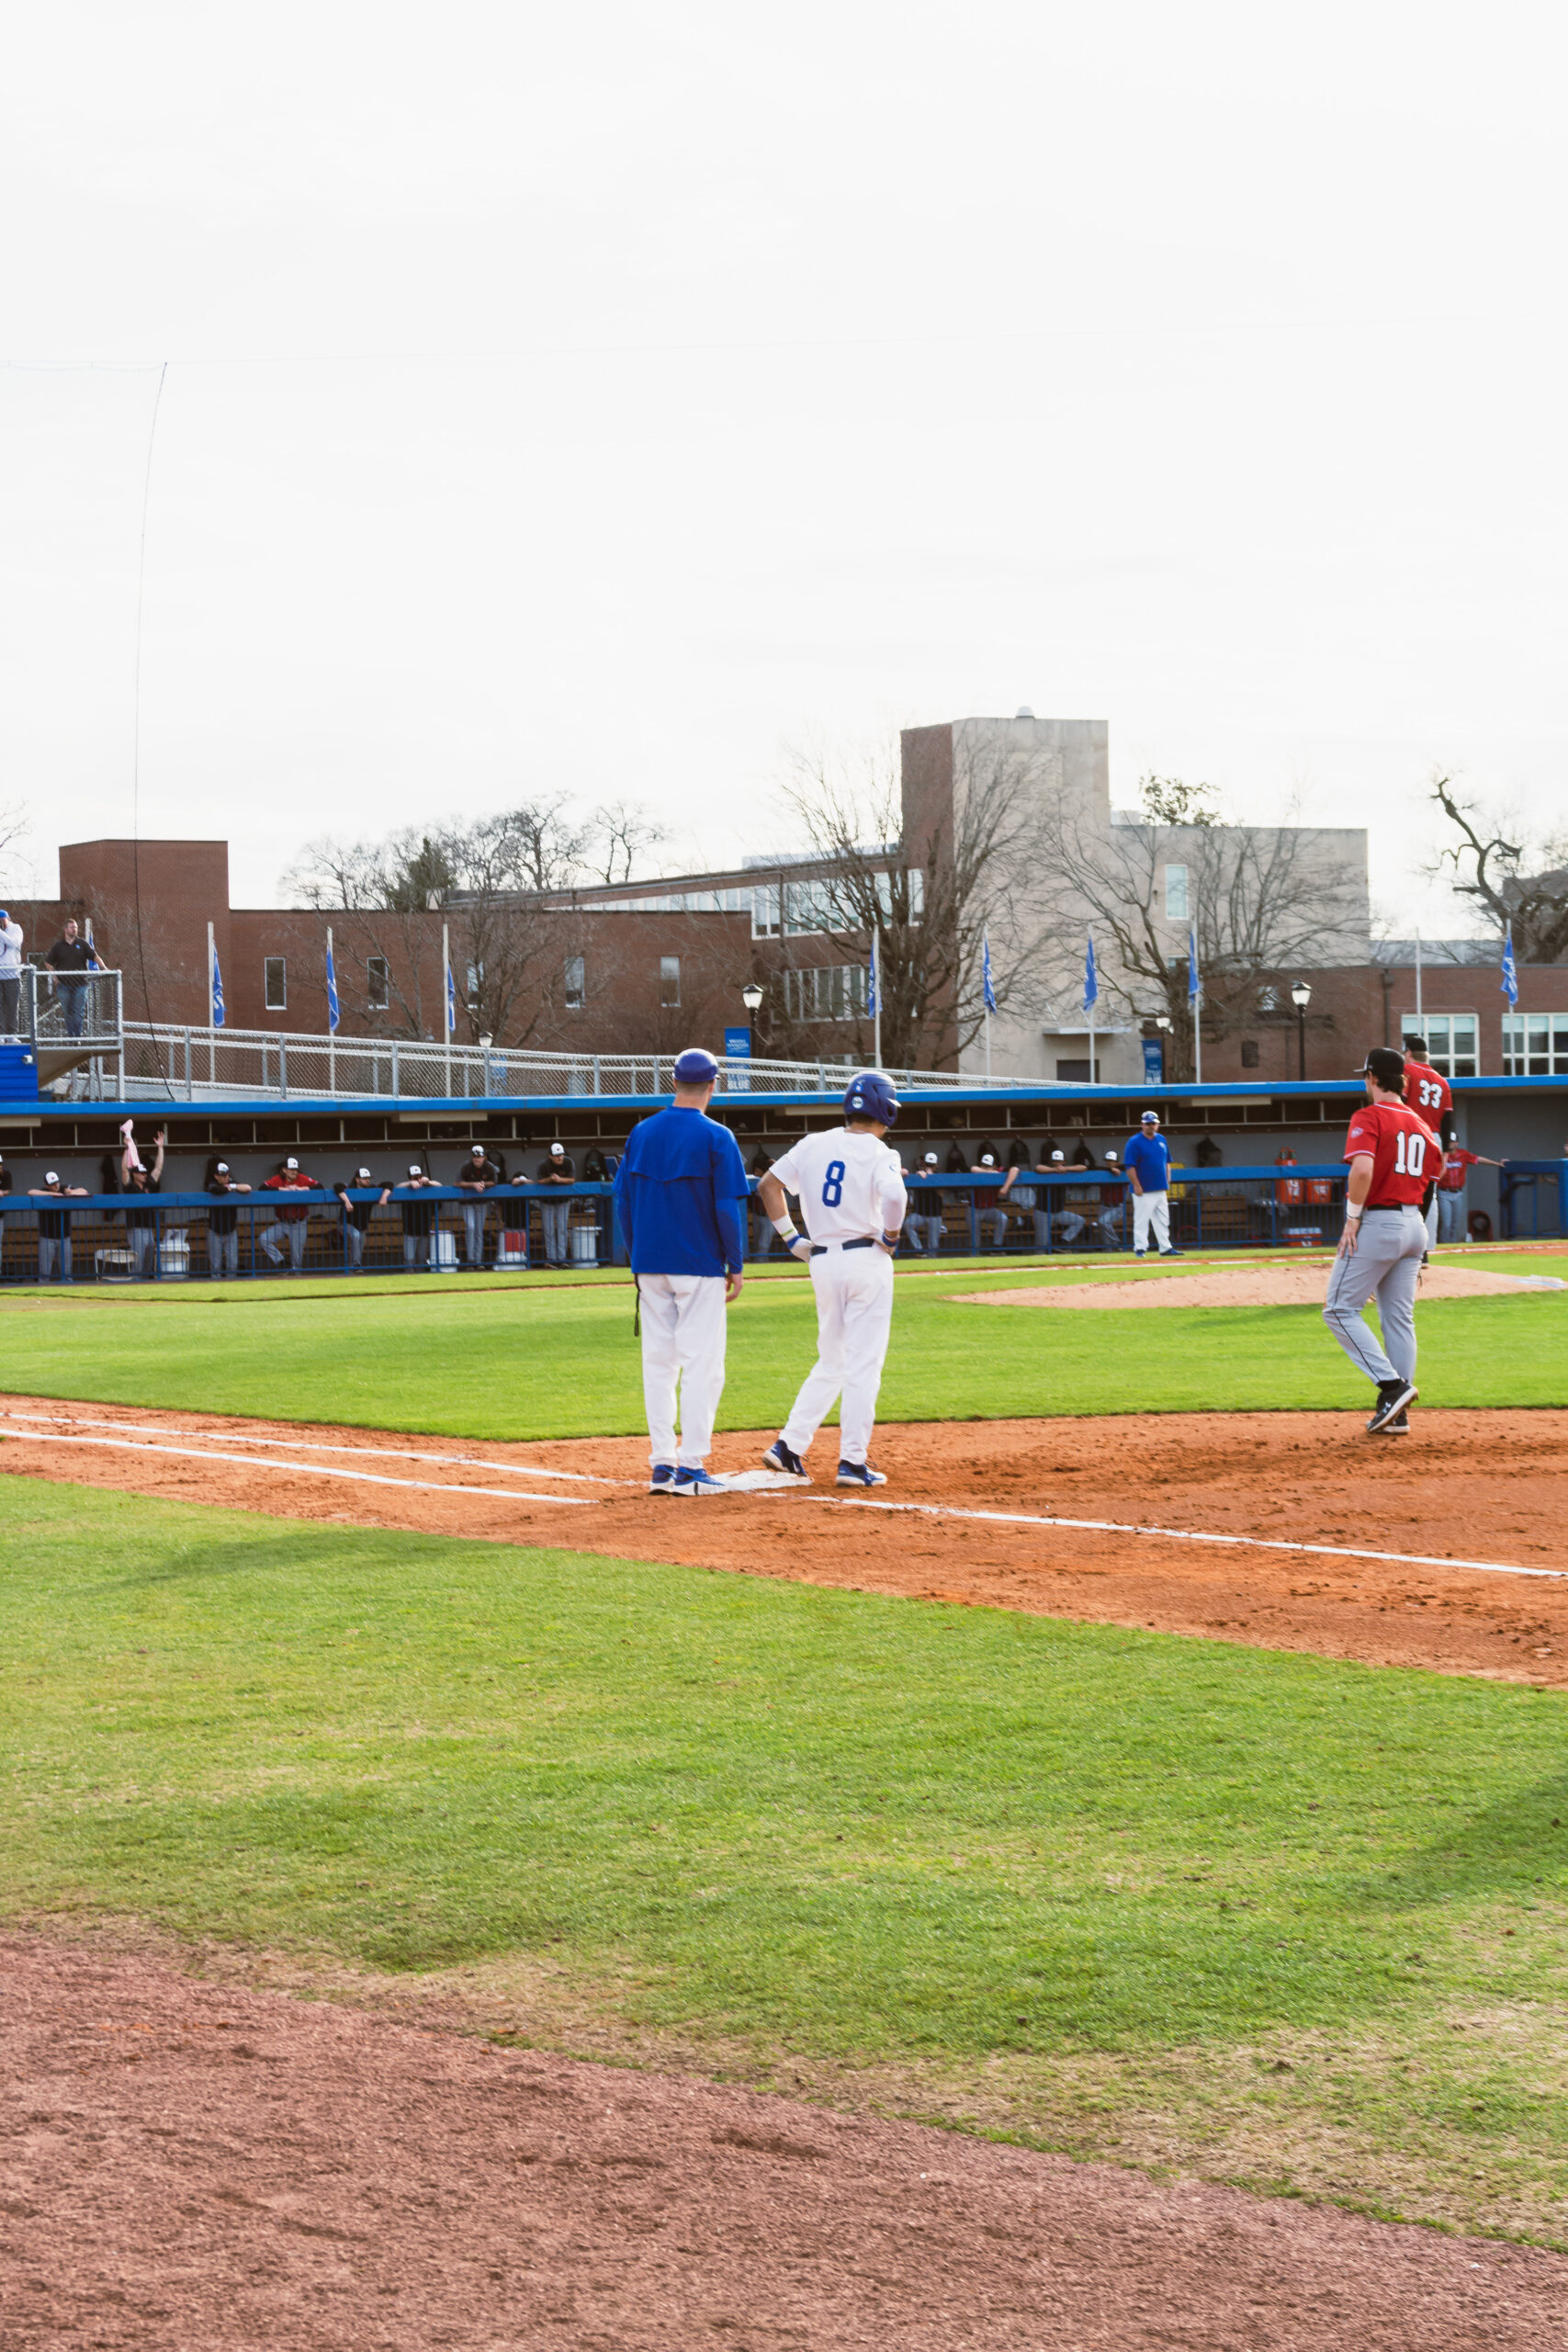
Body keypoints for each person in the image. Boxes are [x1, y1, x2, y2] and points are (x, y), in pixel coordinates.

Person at [757, 1070, 907, 1489]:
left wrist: (792, 1240)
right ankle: (852, 1462)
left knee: (833, 1360)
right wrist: (892, 1237)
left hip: (822, 1261)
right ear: (886, 1109)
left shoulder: (813, 1143)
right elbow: (896, 1197)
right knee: (863, 1364)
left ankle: (789, 1447)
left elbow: (769, 1185)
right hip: (866, 1259)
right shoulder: (880, 1152)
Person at [612, 1045, 750, 1497]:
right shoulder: (717, 1136)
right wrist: (736, 1262)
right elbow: (727, 1208)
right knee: (703, 1367)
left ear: (674, 1082)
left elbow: (622, 1202)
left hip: (651, 1264)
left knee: (659, 1364)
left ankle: (661, 1464)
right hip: (699, 1265)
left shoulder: (642, 1132)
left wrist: (637, 1258)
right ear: (714, 1085)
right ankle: (690, 1464)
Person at [1323, 1045, 1444, 1436]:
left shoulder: (1369, 1115)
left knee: (1339, 1310)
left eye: (1366, 1075)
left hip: (1379, 1221)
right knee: (1398, 1319)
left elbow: (1362, 1169)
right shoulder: (1422, 1125)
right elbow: (1429, 1186)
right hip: (1414, 1223)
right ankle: (1398, 1413)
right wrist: (1417, 1242)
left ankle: (1393, 1388)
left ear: (1372, 1078)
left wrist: (1352, 1218)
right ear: (1403, 1082)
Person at [1402, 1036, 1457, 1250]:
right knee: (1430, 1193)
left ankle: (1409, 1245)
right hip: (1434, 1137)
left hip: (1412, 1134)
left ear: (1408, 1053)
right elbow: (1448, 1119)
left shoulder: (1408, 1070)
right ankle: (1426, 1246)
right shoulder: (1442, 1081)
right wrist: (1445, 1153)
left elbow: (1402, 1102)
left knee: (1407, 1189)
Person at [1122, 1110, 1184, 1260]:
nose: (1151, 1126)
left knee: (1163, 1219)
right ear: (1142, 1125)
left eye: (1154, 1123)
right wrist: (1136, 1185)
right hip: (1143, 1189)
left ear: (1158, 1125)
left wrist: (1167, 1180)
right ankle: (1140, 1248)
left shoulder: (1162, 1139)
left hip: (1160, 1187)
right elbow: (1129, 1166)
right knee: (1142, 1219)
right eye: (1148, 1123)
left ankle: (1165, 1247)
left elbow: (1167, 1162)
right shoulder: (1134, 1141)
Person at [1433, 1140, 1502, 1244]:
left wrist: (1497, 1164)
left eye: (1453, 1142)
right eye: (1449, 1142)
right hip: (1444, 1193)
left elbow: (1478, 1159)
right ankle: (1444, 1245)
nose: (1451, 1144)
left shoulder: (1463, 1154)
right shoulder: (1442, 1154)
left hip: (1458, 1193)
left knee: (1454, 1223)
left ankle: (1451, 1246)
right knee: (1446, 1223)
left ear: (1457, 1143)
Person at [260, 1156, 321, 1272]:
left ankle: (297, 1281)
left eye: (296, 1169)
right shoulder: (277, 1179)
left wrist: (303, 1188)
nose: (294, 1172)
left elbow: (319, 1186)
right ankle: (282, 1262)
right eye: (291, 1169)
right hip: (283, 1223)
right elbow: (262, 1188)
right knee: (263, 1239)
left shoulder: (301, 1178)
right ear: (284, 1170)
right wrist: (283, 1189)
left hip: (299, 1223)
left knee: (297, 1261)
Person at [43, 918, 101, 1039]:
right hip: (63, 985)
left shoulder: (83, 944)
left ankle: (77, 1037)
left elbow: (94, 956)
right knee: (68, 1012)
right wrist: (53, 976)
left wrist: (104, 967)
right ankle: (71, 1037)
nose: (74, 929)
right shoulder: (58, 946)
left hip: (81, 984)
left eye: (75, 927)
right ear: (65, 929)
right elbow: (48, 962)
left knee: (78, 1012)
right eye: (71, 927)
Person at [121, 1122, 165, 1277]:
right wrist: (127, 1148)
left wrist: (160, 1147)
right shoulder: (130, 1187)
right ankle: (135, 1280)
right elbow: (124, 1170)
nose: (144, 1175)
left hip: (148, 1227)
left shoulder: (148, 1184)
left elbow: (158, 1169)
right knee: (138, 1258)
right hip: (135, 1227)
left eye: (145, 1173)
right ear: (135, 1174)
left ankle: (146, 1280)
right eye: (141, 1173)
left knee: (148, 1257)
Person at [28, 1169, 88, 1282]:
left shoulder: (65, 1188)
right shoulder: (43, 1191)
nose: (56, 1186)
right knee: (44, 1271)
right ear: (47, 1185)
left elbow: (84, 1191)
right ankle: (43, 1292)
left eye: (56, 1183)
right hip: (47, 1237)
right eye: (52, 1184)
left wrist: (70, 1192)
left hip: (64, 1236)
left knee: (66, 1270)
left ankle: (68, 1291)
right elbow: (31, 1192)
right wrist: (52, 1194)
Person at [333, 1166, 391, 1272]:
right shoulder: (349, 1187)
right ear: (357, 1179)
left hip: (362, 1225)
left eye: (368, 1178)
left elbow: (389, 1184)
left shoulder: (372, 1188)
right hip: (346, 1223)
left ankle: (351, 1268)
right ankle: (356, 1265)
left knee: (359, 1243)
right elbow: (337, 1186)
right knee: (355, 1236)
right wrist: (347, 1201)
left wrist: (384, 1197)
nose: (368, 1180)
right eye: (364, 1178)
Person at [457, 1144, 504, 1267]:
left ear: (484, 1157)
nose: (477, 1159)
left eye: (479, 1157)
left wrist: (483, 1183)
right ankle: (471, 1259)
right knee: (471, 1227)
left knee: (478, 1231)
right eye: (475, 1157)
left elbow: (494, 1182)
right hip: (467, 1202)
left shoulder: (489, 1167)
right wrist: (473, 1184)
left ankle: (478, 1261)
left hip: (482, 1202)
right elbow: (457, 1183)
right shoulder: (466, 1166)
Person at [204, 1159, 253, 1279]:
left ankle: (231, 1287)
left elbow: (247, 1188)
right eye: (222, 1175)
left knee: (233, 1263)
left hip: (231, 1230)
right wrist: (229, 1189)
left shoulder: (232, 1183)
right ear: (216, 1176)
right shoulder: (212, 1184)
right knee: (215, 1265)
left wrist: (231, 1186)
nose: (225, 1177)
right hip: (215, 1229)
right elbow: (214, 1189)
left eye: (226, 1175)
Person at [537, 1140, 576, 1267]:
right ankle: (551, 1259)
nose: (560, 1157)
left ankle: (562, 1259)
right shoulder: (544, 1165)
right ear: (550, 1156)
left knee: (562, 1230)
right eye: (557, 1155)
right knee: (549, 1230)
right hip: (547, 1202)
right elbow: (540, 1181)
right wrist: (550, 1179)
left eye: (561, 1155)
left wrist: (559, 1179)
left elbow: (572, 1179)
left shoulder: (568, 1162)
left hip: (563, 1201)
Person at [395, 1163, 440, 1267]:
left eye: (419, 1176)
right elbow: (397, 1187)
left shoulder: (427, 1187)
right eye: (415, 1177)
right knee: (409, 1261)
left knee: (422, 1260)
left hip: (424, 1229)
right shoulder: (406, 1188)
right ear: (410, 1177)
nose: (418, 1179)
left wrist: (427, 1182)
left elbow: (439, 1185)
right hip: (409, 1230)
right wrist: (410, 1183)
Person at [905, 1150, 946, 1251]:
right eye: (928, 1165)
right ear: (923, 1164)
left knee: (933, 1245)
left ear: (937, 1165)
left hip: (935, 1214)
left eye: (932, 1165)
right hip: (920, 1213)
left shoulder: (939, 1177)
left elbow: (941, 1193)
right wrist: (920, 1174)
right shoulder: (919, 1175)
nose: (929, 1167)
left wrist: (931, 1178)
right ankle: (919, 1249)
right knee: (907, 1224)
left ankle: (933, 1261)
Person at [975, 1151, 1010, 1250]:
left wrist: (1006, 1187)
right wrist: (990, 1172)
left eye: (987, 1166)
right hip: (974, 1210)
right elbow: (973, 1169)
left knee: (1003, 1218)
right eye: (983, 1165)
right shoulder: (977, 1171)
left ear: (994, 1166)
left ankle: (997, 1245)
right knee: (975, 1242)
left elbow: (1015, 1169)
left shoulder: (998, 1172)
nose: (985, 1167)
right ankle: (974, 1256)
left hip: (989, 1209)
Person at [1094, 1149, 1127, 1250]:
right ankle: (1108, 1250)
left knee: (1103, 1222)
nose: (1109, 1162)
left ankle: (1116, 1242)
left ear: (1117, 1162)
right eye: (1107, 1160)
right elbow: (1093, 1167)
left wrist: (1116, 1168)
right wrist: (1110, 1169)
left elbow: (1127, 1166)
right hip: (1104, 1205)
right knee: (1103, 1228)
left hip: (1117, 1207)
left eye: (1111, 1160)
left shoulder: (1123, 1171)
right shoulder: (1103, 1172)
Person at [497, 1170, 531, 1266]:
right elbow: (499, 1205)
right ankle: (507, 1266)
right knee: (508, 1249)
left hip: (523, 1223)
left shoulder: (527, 1187)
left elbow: (532, 1182)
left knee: (522, 1248)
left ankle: (523, 1264)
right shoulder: (507, 1187)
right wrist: (500, 1220)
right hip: (508, 1222)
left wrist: (523, 1181)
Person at [749, 1146, 777, 1256]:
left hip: (770, 1217)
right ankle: (758, 1265)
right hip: (757, 1215)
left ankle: (761, 1263)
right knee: (757, 1244)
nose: (755, 1173)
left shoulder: (772, 1181)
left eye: (757, 1171)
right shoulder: (756, 1181)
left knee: (763, 1245)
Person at [0, 910, 23, 1035]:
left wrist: (1, 933)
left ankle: (12, 1033)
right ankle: (1, 1034)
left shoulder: (16, 929)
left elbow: (14, 943)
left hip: (12, 974)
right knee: (0, 1007)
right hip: (0, 974)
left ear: (8, 919)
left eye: (2, 921)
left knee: (12, 1006)